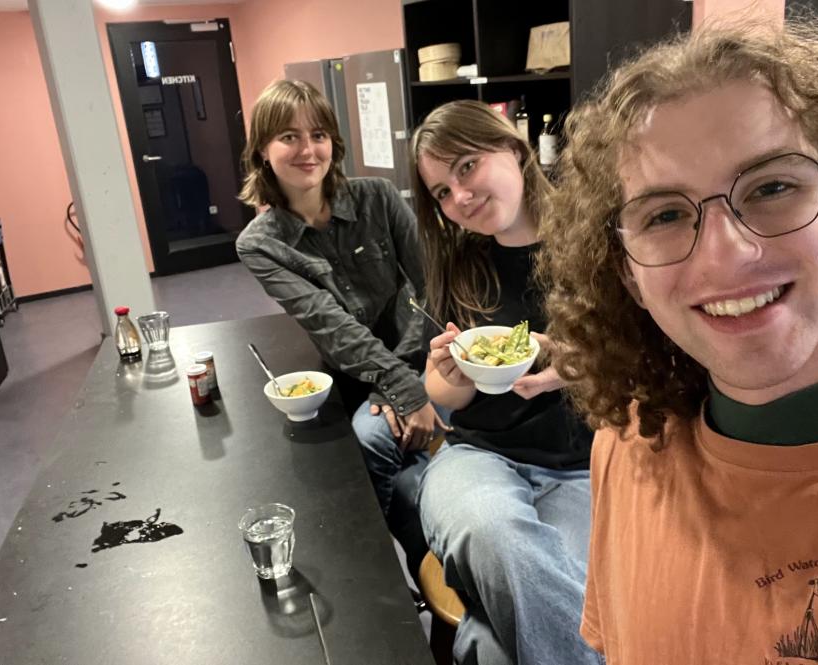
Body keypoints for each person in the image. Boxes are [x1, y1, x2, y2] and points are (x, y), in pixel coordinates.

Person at [540, 17, 818, 662]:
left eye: (772, 187)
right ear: (627, 274)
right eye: (664, 214)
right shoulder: (625, 449)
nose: (727, 253)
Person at [411, 100, 597, 665]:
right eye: (442, 191)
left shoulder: (592, 242)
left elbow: (651, 368)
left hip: (582, 468)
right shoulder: (459, 262)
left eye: (467, 167)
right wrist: (450, 376)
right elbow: (443, 402)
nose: (459, 197)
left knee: (487, 645)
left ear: (514, 149)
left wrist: (579, 363)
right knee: (497, 534)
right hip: (475, 459)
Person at [235, 81, 445, 575]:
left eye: (320, 134)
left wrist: (412, 380)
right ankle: (407, 574)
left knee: (387, 446)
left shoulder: (377, 197)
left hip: (426, 360)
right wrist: (398, 387)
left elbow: (430, 287)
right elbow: (331, 328)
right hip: (360, 377)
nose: (308, 149)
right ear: (263, 151)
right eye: (289, 136)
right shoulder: (260, 245)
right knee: (369, 443)